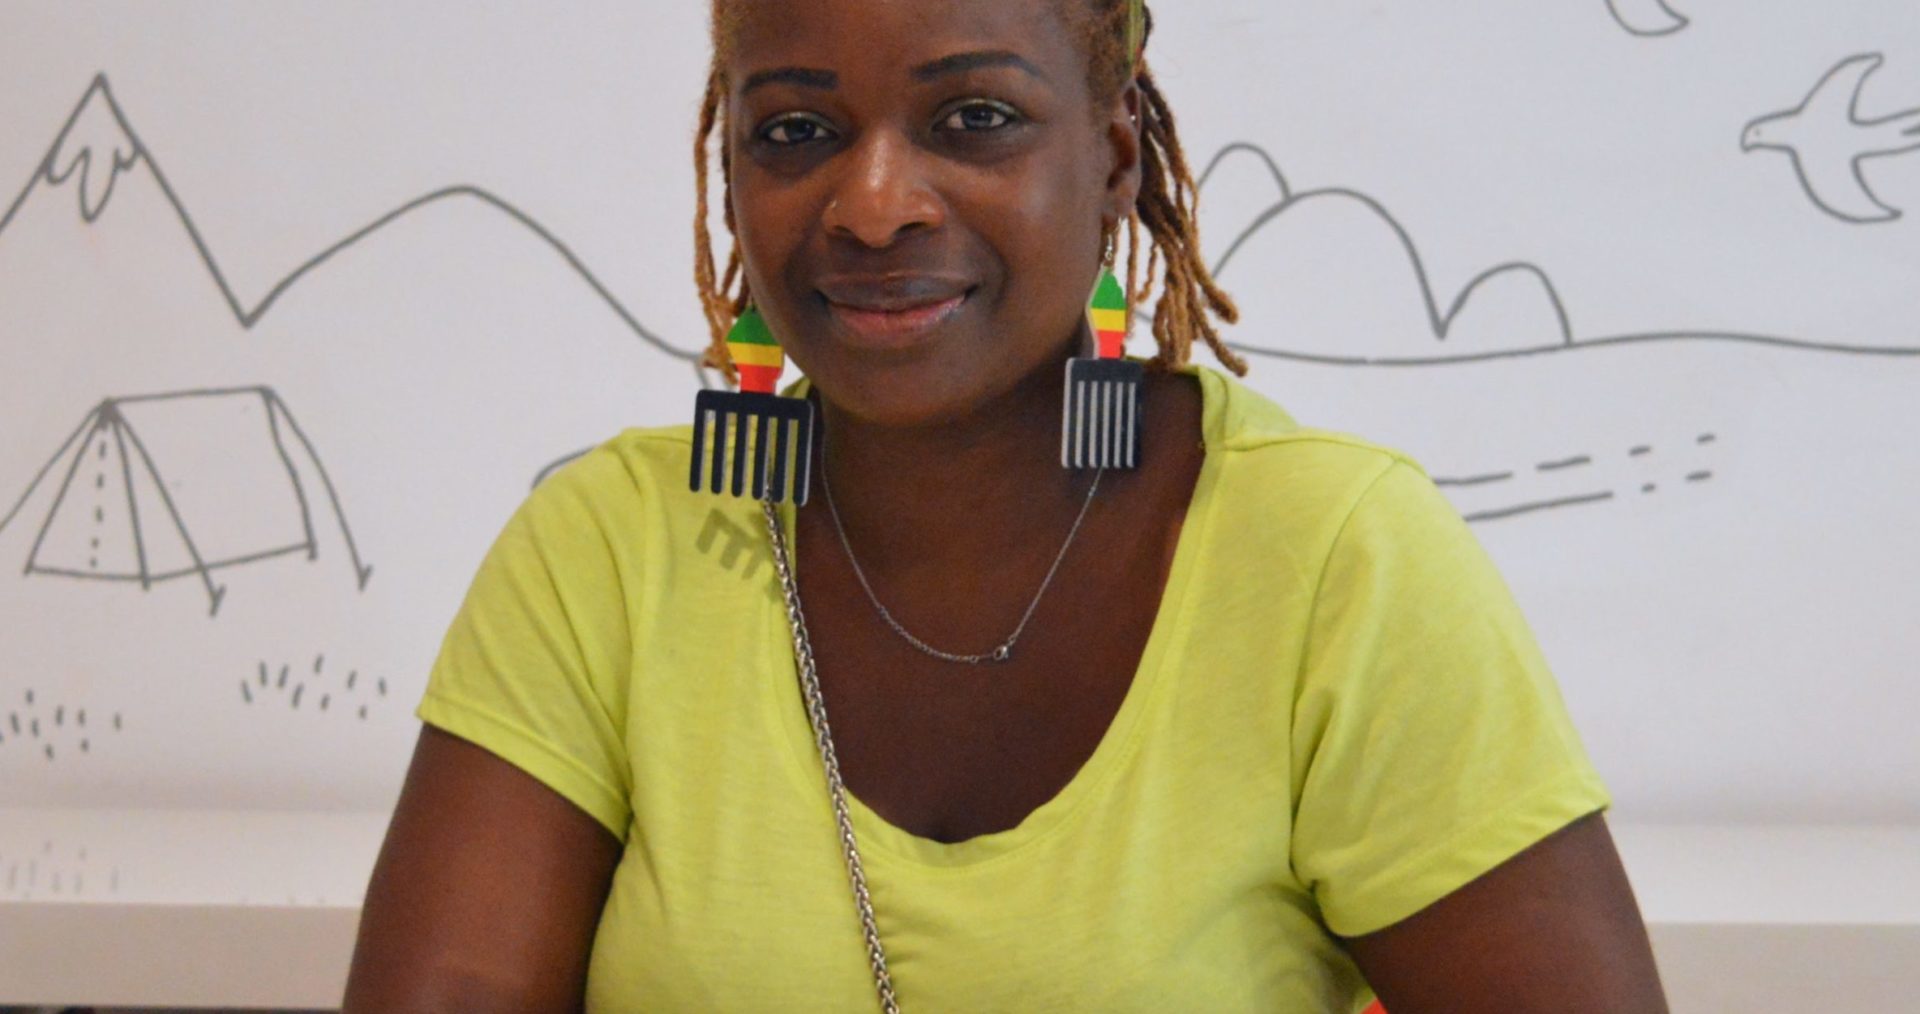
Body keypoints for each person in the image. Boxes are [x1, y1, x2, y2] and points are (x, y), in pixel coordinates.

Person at [344, 1, 1670, 1010]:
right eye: (795, 132)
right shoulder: (605, 553)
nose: (871, 206)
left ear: (1113, 162)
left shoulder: (1331, 557)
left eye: (972, 118)